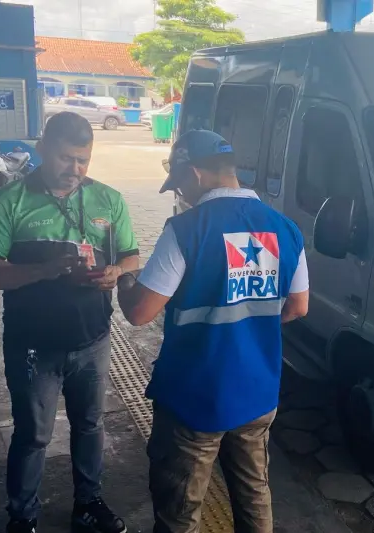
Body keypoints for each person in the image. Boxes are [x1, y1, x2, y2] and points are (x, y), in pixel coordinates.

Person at [116, 130, 309, 533]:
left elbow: (139, 313)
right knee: (254, 493)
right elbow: (298, 306)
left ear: (195, 173)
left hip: (194, 396)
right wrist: (247, 325)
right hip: (257, 391)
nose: (181, 194)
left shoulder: (187, 229)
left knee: (180, 509)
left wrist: (125, 280)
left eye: (180, 184)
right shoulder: (285, 228)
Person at [0, 112, 139, 533]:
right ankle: (23, 516)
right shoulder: (8, 201)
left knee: (91, 424)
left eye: (83, 160)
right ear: (42, 148)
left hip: (93, 340)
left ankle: (88, 503)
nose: (75, 169)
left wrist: (117, 272)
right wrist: (43, 271)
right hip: (32, 343)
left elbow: (131, 256)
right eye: (65, 158)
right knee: (34, 434)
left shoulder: (108, 200)